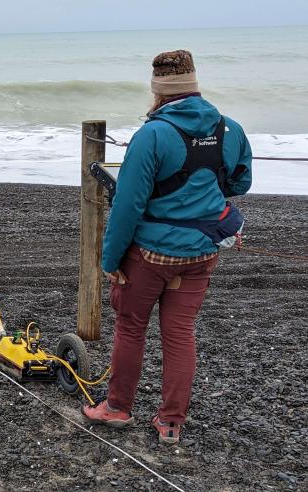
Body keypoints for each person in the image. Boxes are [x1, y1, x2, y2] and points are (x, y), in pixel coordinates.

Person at [82, 50, 252, 444]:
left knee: (131, 327)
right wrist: (199, 196)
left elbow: (127, 206)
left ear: (158, 91)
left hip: (151, 255)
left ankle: (118, 407)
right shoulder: (231, 130)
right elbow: (239, 184)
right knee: (179, 333)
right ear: (194, 84)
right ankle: (171, 421)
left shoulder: (152, 135)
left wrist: (110, 259)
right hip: (202, 253)